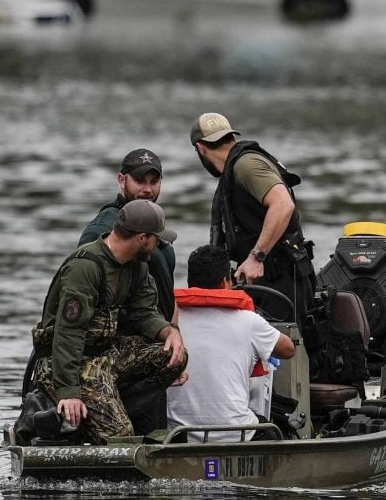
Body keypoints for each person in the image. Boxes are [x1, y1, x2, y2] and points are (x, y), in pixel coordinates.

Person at [29, 200, 187, 445]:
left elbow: (144, 312)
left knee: (173, 356)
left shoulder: (137, 266)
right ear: (142, 238)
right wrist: (68, 392)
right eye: (157, 239)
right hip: (67, 363)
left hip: (106, 356)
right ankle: (49, 419)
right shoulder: (86, 267)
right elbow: (68, 334)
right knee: (120, 438)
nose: (160, 245)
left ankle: (106, 410)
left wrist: (170, 332)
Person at [189, 111, 317, 322]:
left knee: (282, 351)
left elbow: (283, 205)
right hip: (265, 279)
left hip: (282, 278)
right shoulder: (234, 170)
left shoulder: (246, 165)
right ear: (230, 137)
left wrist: (256, 256)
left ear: (200, 148)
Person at [167, 245, 295, 442]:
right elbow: (288, 349)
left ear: (190, 282)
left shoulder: (169, 321)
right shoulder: (248, 321)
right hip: (237, 433)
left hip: (180, 436)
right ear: (224, 282)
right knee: (277, 426)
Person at [79, 148, 177, 324]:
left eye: (154, 182)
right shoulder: (101, 230)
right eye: (140, 181)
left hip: (159, 335)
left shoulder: (157, 227)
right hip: (124, 343)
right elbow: (83, 297)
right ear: (121, 180)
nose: (148, 189)